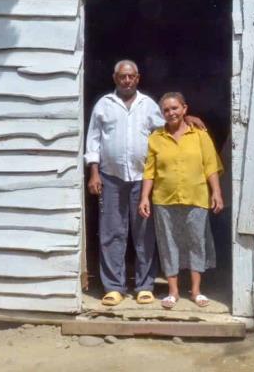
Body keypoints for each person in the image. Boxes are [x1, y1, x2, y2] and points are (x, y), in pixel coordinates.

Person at [85, 60, 204, 306]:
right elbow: (93, 141)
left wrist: (188, 116)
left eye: (131, 77)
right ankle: (113, 286)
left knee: (144, 234)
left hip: (143, 179)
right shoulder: (104, 105)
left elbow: (170, 125)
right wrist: (94, 173)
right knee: (111, 232)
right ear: (115, 77)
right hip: (110, 177)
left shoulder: (148, 105)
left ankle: (144, 285)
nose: (126, 81)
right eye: (122, 77)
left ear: (138, 78)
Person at [138, 92, 224, 309]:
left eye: (175, 108)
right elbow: (150, 172)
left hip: (196, 197)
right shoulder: (156, 138)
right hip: (164, 199)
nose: (171, 113)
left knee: (196, 241)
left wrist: (217, 192)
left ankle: (195, 291)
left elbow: (210, 166)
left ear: (185, 109)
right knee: (168, 243)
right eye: (166, 110)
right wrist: (144, 198)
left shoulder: (200, 135)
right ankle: (173, 291)